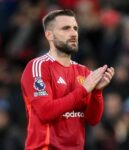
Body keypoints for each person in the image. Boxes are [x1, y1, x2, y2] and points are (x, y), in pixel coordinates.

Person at [21, 9, 115, 150]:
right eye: (65, 28)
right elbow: (45, 112)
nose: (73, 33)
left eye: (75, 28)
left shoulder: (83, 71)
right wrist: (83, 90)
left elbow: (93, 119)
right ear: (49, 35)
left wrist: (97, 92)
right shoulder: (38, 66)